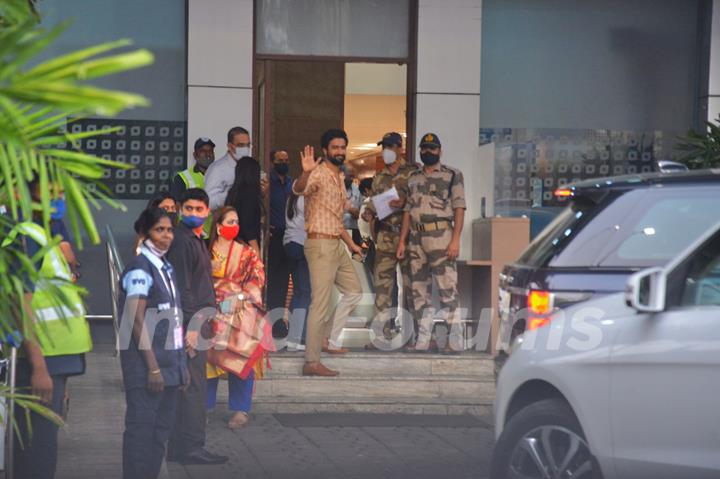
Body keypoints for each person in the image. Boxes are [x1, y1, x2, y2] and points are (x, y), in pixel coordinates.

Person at [11, 218, 93, 479]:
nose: (60, 201)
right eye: (54, 192)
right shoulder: (29, 238)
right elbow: (20, 304)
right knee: (38, 448)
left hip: (54, 359)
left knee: (41, 443)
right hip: (42, 359)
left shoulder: (44, 237)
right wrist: (38, 367)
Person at [119, 208, 187, 479]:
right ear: (144, 233)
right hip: (148, 367)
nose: (167, 236)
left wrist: (181, 367)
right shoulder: (140, 269)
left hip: (169, 365)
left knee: (159, 435)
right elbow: (135, 320)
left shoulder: (164, 267)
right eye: (160, 230)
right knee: (141, 435)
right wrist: (153, 368)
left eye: (170, 230)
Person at [292, 129, 364, 377]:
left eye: (343, 147)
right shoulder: (318, 173)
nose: (340, 151)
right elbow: (298, 190)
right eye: (335, 147)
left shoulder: (340, 176)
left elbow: (336, 219)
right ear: (325, 150)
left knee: (355, 292)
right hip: (320, 245)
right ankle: (311, 362)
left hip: (337, 243)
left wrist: (351, 244)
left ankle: (325, 338)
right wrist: (306, 171)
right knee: (319, 304)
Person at [166, 188, 228, 465]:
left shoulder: (195, 239)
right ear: (180, 210)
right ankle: (189, 447)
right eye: (188, 208)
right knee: (193, 387)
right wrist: (192, 326)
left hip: (198, 318)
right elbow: (183, 287)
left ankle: (182, 445)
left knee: (191, 385)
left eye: (198, 209)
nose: (193, 213)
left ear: (207, 212)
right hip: (193, 321)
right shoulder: (181, 241)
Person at [396, 133, 466, 353]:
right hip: (415, 240)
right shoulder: (413, 178)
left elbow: (459, 208)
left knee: (447, 289)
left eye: (432, 148)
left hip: (442, 236)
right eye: (424, 148)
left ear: (440, 151)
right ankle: (424, 340)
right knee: (418, 291)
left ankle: (454, 341)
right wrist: (402, 242)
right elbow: (407, 211)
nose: (428, 152)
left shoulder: (452, 175)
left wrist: (455, 240)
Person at [205, 206, 273, 429]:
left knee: (241, 359)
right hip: (208, 309)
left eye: (236, 222)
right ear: (218, 225)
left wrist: (241, 297)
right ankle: (203, 409)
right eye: (230, 222)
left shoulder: (245, 252)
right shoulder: (204, 249)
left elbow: (257, 276)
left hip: (240, 310)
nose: (235, 226)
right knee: (207, 363)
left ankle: (240, 410)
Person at [362, 132, 417, 341]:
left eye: (389, 147)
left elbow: (420, 203)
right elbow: (373, 202)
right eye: (383, 147)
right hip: (385, 236)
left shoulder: (413, 173)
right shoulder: (379, 177)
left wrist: (404, 204)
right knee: (382, 287)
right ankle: (381, 336)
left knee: (411, 287)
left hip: (408, 237)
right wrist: (369, 211)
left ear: (399, 148)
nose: (386, 151)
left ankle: (412, 336)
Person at [266, 150, 292, 319]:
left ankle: (281, 319)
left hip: (289, 235)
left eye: (286, 160)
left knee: (284, 281)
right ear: (272, 162)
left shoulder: (291, 182)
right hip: (273, 235)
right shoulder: (267, 183)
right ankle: (271, 320)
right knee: (273, 281)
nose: (283, 163)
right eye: (279, 160)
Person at [283, 193, 309, 352]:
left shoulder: (291, 197)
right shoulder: (306, 199)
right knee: (306, 293)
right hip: (302, 243)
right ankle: (298, 336)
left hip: (289, 243)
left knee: (299, 292)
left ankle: (293, 336)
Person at [204, 127, 252, 211]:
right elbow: (209, 202)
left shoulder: (250, 166)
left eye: (248, 145)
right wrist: (233, 193)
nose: (245, 148)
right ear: (230, 146)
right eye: (241, 145)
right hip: (226, 220)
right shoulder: (217, 169)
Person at [224, 156, 262, 256]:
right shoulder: (250, 194)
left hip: (233, 244)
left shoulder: (233, 193)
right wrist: (256, 250)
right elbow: (248, 224)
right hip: (246, 246)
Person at [342, 167, 363, 245]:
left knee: (355, 256)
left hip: (354, 229)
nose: (351, 179)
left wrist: (358, 213)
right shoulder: (333, 188)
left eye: (353, 176)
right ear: (342, 174)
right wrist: (349, 209)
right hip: (338, 230)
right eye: (349, 176)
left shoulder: (357, 189)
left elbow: (361, 210)